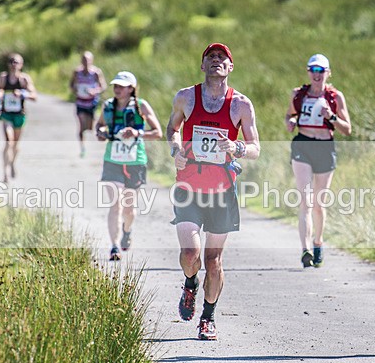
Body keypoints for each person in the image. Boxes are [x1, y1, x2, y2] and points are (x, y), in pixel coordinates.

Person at [166, 43, 260, 340]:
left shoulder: (240, 105)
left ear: (230, 67)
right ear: (203, 65)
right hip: (189, 185)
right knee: (190, 253)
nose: (216, 60)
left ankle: (208, 317)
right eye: (211, 57)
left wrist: (237, 147)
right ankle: (190, 283)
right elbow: (172, 129)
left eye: (223, 57)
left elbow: (255, 148)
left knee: (213, 260)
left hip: (222, 189)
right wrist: (176, 150)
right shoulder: (186, 97)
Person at [285, 54, 352, 268]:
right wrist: (291, 121)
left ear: (328, 73)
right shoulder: (299, 94)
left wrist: (331, 116)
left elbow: (347, 129)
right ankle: (305, 249)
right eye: (313, 70)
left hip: (325, 147)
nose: (317, 74)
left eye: (321, 70)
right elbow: (289, 115)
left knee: (318, 203)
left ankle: (318, 243)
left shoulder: (335, 97)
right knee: (305, 200)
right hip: (303, 145)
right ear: (308, 72)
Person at [95, 71, 162, 261]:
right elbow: (99, 126)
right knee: (115, 204)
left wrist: (136, 133)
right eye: (115, 86)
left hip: (135, 162)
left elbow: (157, 133)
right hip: (112, 161)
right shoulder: (108, 106)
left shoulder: (141, 106)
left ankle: (127, 230)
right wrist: (101, 133)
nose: (117, 89)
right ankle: (114, 246)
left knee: (128, 209)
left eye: (121, 86)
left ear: (131, 88)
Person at [0, 53, 37, 182]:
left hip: (19, 115)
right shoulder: (3, 78)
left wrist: (22, 94)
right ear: (8, 64)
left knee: (15, 145)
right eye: (12, 62)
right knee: (9, 141)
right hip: (6, 114)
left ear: (21, 65)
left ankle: (12, 162)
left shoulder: (24, 79)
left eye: (16, 62)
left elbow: (34, 96)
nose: (14, 65)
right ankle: (5, 173)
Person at [70, 51, 107, 157]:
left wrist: (94, 91)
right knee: (82, 125)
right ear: (81, 61)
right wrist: (75, 90)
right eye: (84, 60)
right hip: (80, 102)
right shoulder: (77, 72)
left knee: (90, 127)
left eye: (88, 60)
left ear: (92, 60)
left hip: (91, 103)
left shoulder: (96, 72)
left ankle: (94, 144)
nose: (86, 62)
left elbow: (103, 86)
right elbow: (71, 85)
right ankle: (82, 148)